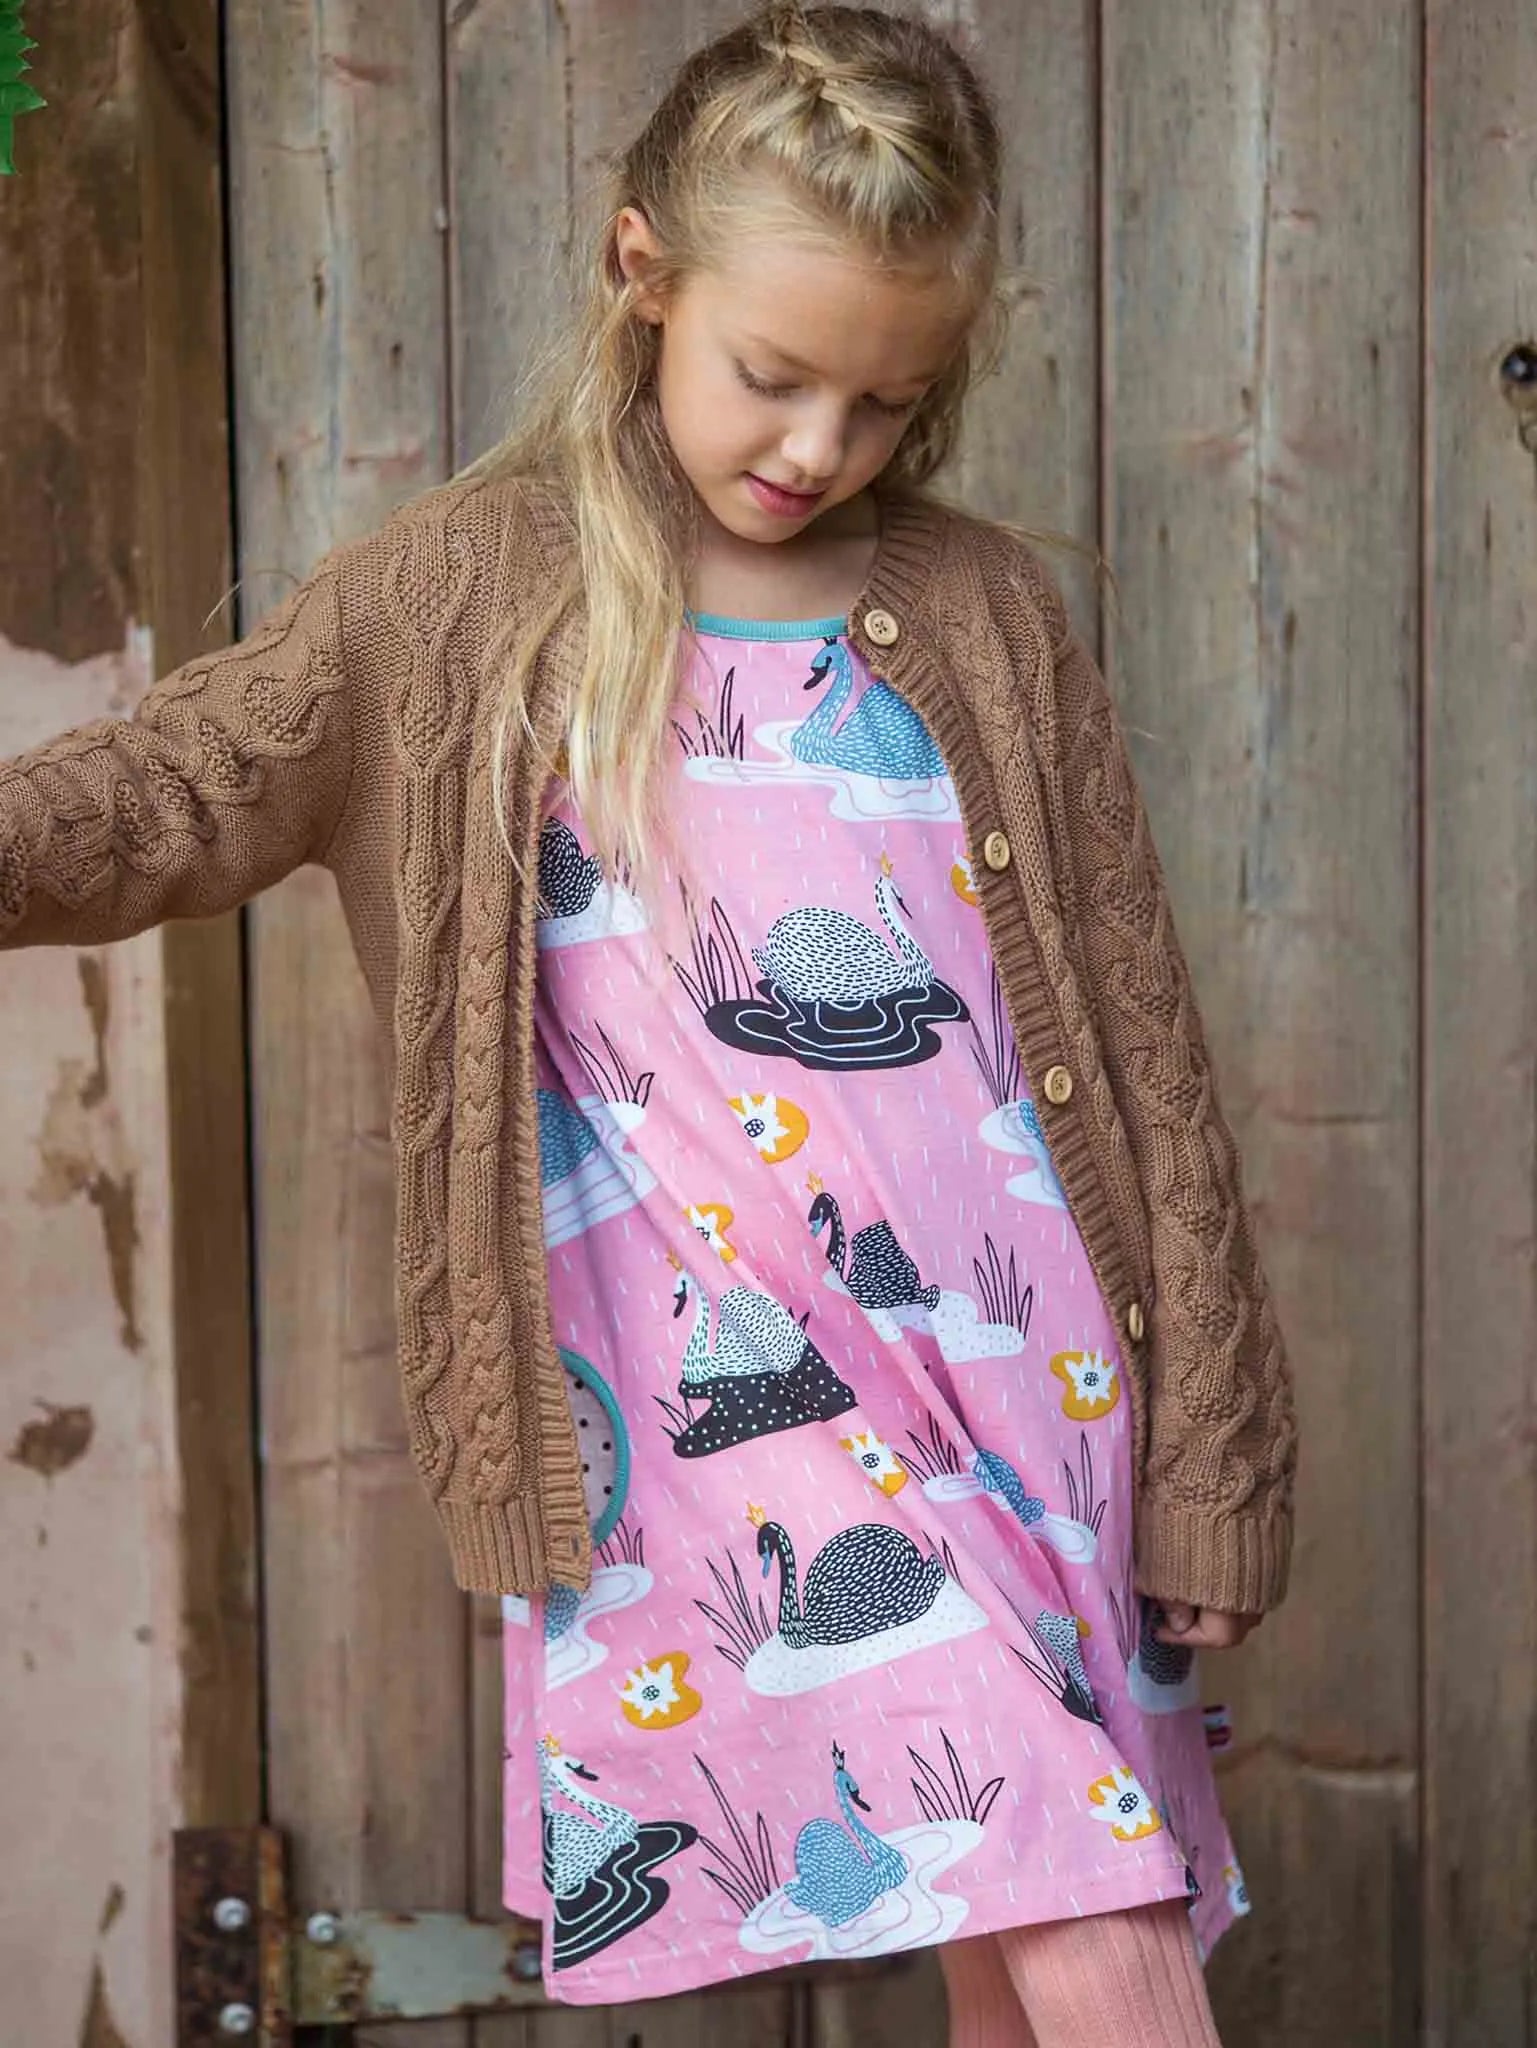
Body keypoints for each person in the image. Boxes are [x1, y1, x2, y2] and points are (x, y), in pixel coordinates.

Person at [0, 6, 1296, 2041]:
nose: (814, 448)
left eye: (881, 403)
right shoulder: (455, 601)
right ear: (640, 279)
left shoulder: (983, 616)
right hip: (732, 1420)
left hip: (1015, 1383)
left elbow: (1140, 1045)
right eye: (769, 376)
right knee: (1086, 1901)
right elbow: (173, 788)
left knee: (1018, 1923)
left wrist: (1211, 1442)